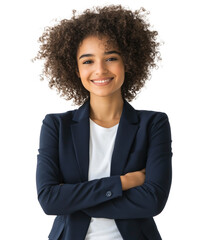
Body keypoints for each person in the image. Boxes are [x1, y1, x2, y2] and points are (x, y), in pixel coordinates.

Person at [35, 5, 172, 240]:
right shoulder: (56, 126)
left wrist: (73, 200)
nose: (100, 70)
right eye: (88, 61)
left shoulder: (153, 124)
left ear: (127, 62)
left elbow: (152, 201)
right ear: (75, 69)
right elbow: (49, 200)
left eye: (111, 58)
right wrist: (124, 182)